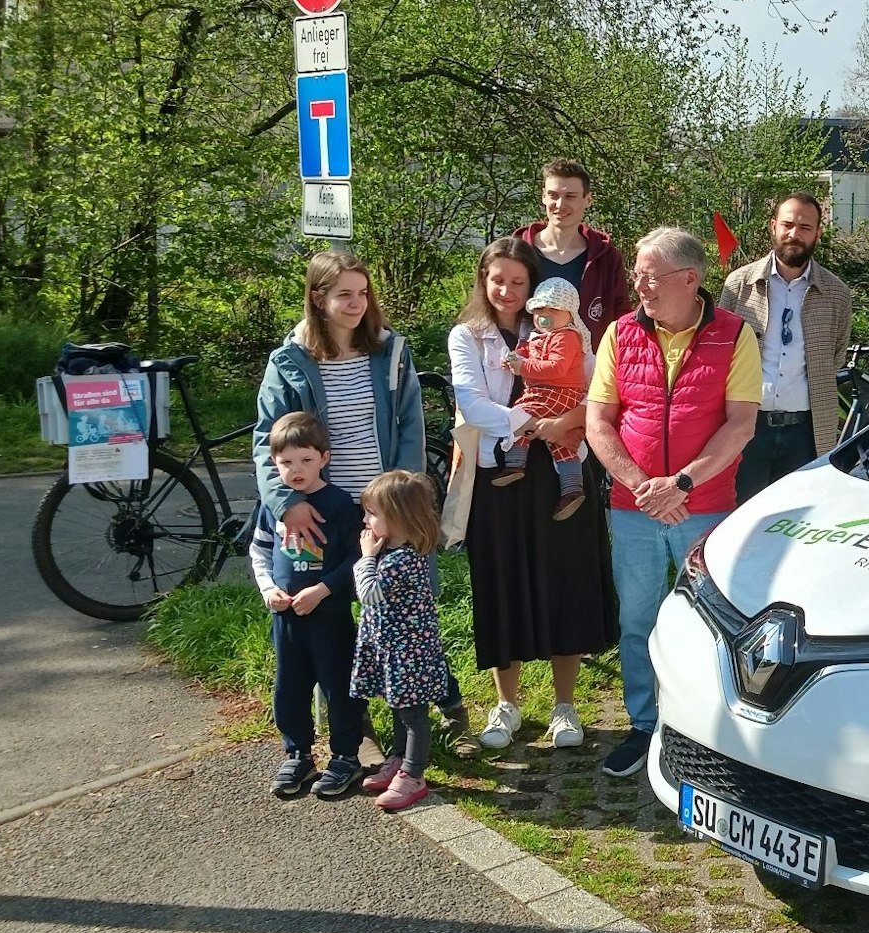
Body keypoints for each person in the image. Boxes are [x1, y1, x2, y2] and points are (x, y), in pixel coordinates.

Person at [586, 227, 761, 777]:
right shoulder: (619, 334)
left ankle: (704, 732)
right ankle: (644, 725)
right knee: (637, 621)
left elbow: (740, 425)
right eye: (637, 274)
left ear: (689, 279)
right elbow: (598, 422)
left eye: (649, 275)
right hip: (633, 508)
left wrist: (680, 484)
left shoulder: (735, 335)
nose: (638, 285)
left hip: (703, 509)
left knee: (710, 627)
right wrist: (646, 487)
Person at [448, 238, 615, 753]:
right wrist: (534, 422)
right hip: (502, 469)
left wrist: (568, 420)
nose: (507, 290)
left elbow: (597, 384)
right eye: (497, 280)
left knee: (567, 578)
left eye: (518, 281)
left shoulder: (560, 323)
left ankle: (565, 706)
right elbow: (472, 403)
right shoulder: (467, 335)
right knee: (503, 581)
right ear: (483, 281)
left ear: (533, 284)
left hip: (562, 467)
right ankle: (507, 704)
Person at [253, 250, 426, 562]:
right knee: (326, 592)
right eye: (344, 294)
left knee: (389, 591)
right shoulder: (288, 360)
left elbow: (413, 428)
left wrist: (402, 495)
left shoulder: (391, 352)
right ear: (318, 299)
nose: (357, 303)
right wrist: (287, 502)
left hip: (385, 508)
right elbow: (267, 439)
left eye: (363, 293)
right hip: (320, 509)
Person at [249, 412, 361, 798]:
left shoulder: (340, 503)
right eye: (286, 462)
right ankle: (298, 753)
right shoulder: (273, 505)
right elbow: (259, 551)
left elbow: (357, 558)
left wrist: (323, 590)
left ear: (324, 458)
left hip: (330, 616)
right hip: (287, 618)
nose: (296, 470)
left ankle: (346, 755)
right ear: (274, 463)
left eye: (306, 460)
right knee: (289, 688)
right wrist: (268, 590)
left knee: (338, 686)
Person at [717, 191, 855, 499]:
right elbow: (719, 353)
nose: (795, 234)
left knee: (798, 515)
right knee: (740, 513)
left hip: (805, 434)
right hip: (745, 429)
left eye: (805, 227)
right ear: (773, 226)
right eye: (788, 225)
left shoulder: (836, 293)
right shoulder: (739, 285)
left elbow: (836, 356)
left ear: (818, 232)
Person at [350, 471, 454, 812]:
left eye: (372, 514)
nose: (365, 521)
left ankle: (413, 774)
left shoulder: (402, 559)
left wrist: (366, 557)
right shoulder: (392, 551)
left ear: (398, 517)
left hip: (408, 653)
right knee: (400, 707)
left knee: (413, 715)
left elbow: (369, 593)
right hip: (394, 650)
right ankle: (399, 758)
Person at [487, 277, 591, 519]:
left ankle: (515, 462)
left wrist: (523, 367)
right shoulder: (539, 337)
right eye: (539, 310)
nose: (545, 315)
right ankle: (572, 488)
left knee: (520, 412)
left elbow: (557, 367)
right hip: (551, 394)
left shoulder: (566, 336)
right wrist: (513, 358)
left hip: (559, 392)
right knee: (561, 443)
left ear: (570, 314)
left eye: (553, 310)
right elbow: (526, 351)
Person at [515, 158, 632, 340]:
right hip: (521, 356)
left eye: (570, 196)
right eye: (553, 195)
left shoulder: (606, 258)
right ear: (543, 196)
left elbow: (621, 318)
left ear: (588, 199)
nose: (560, 204)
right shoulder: (517, 252)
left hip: (590, 357)